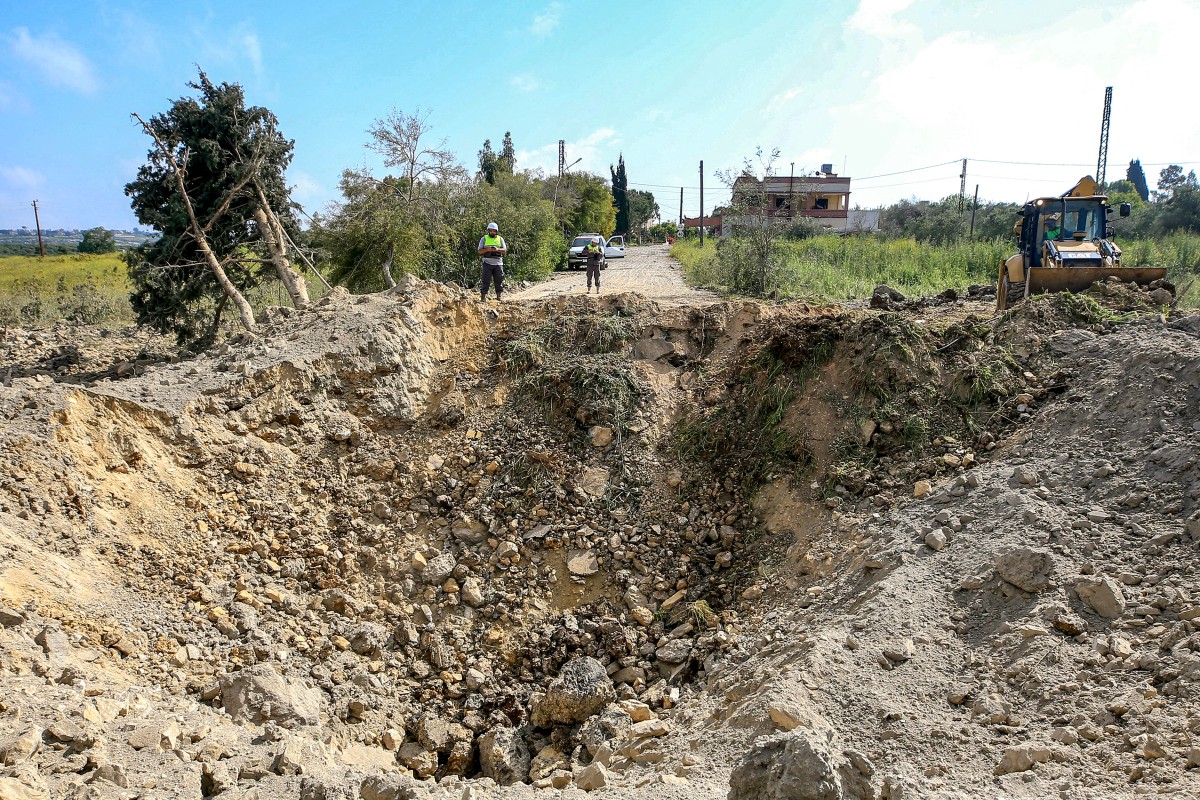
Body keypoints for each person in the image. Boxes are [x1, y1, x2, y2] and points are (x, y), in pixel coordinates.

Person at [477, 222, 507, 302]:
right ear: (488, 230)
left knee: (499, 280)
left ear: (496, 231)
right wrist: (488, 249)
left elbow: (504, 250)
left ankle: (499, 296)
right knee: (485, 280)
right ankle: (483, 297)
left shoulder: (500, 239)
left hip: (498, 263)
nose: (492, 232)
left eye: (494, 231)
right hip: (487, 262)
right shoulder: (484, 239)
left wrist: (497, 249)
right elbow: (479, 251)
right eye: (491, 230)